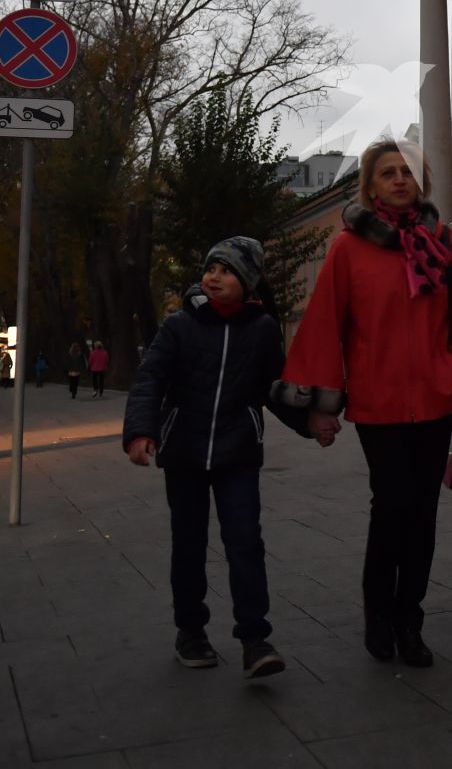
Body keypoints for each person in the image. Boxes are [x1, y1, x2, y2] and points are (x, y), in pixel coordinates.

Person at [274, 137, 452, 669]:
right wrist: (321, 404)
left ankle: (410, 621)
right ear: (371, 186)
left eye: (407, 172)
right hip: (377, 402)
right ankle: (378, 617)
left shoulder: (442, 240)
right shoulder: (348, 248)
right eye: (387, 173)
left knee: (422, 514)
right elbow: (323, 326)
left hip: (434, 395)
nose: (400, 180)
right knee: (391, 509)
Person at [121, 238, 308, 677]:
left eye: (227, 270)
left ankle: (255, 638)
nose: (215, 276)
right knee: (188, 545)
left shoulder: (261, 329)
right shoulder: (179, 325)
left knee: (246, 543)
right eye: (211, 268)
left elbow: (274, 389)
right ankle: (191, 631)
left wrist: (311, 423)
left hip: (238, 452)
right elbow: (150, 379)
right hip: (184, 451)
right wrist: (141, 431)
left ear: (247, 281)